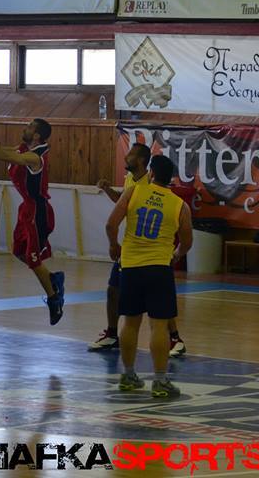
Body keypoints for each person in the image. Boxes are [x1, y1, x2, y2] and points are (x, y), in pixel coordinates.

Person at [106, 155, 192, 398]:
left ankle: (128, 375)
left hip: (130, 267)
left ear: (151, 173)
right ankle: (160, 381)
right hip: (159, 268)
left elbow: (111, 224)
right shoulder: (179, 205)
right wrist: (176, 254)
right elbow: (187, 242)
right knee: (159, 326)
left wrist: (114, 245)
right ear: (170, 178)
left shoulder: (133, 192)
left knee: (130, 323)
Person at [92, 142, 186, 357]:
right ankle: (112, 333)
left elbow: (112, 222)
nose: (126, 156)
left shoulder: (147, 184)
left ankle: (174, 337)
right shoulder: (131, 179)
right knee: (114, 289)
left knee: (155, 302)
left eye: (131, 154)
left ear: (143, 161)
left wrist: (113, 244)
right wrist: (108, 189)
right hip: (132, 249)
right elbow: (122, 202)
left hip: (147, 251)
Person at [0, 116, 65, 325]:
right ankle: (53, 278)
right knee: (19, 252)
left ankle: (54, 298)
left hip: (38, 211)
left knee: (33, 259)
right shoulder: (23, 148)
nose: (25, 128)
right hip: (27, 208)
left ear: (37, 135)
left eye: (30, 127)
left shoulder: (35, 157)